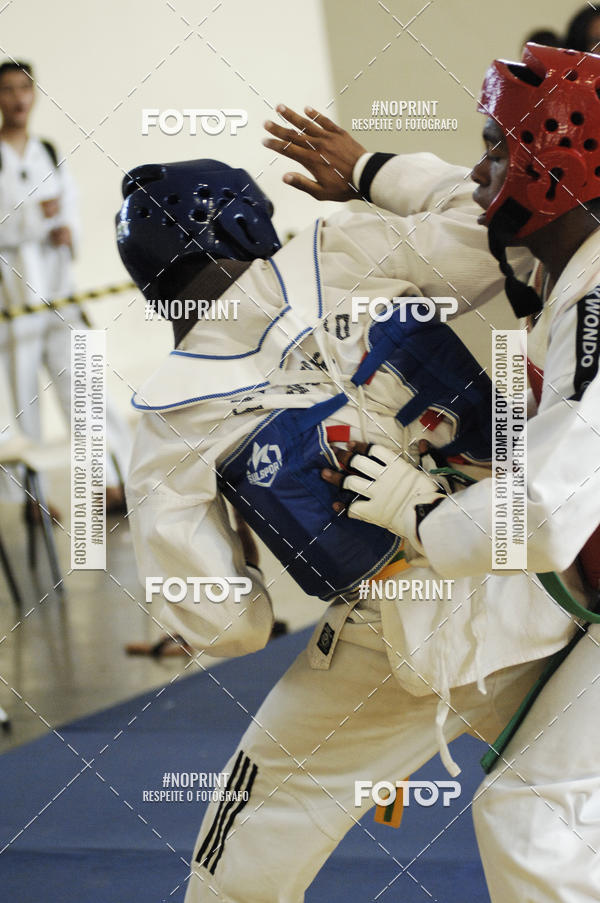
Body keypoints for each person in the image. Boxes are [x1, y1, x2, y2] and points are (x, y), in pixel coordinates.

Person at [120, 104, 593, 899]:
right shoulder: (342, 249)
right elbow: (493, 237)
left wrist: (251, 524)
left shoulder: (168, 422)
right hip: (551, 590)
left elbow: (231, 627)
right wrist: (373, 172)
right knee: (552, 823)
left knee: (241, 842)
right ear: (248, 221)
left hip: (395, 638)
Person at [321, 43, 600, 902]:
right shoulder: (574, 252)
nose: (480, 169)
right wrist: (367, 167)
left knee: (534, 813)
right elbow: (456, 192)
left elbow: (548, 514)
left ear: (549, 167)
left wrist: (420, 508)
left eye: (496, 148)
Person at [0, 60, 131, 516]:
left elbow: (69, 209)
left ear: (34, 94)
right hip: (13, 299)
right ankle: (31, 498)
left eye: (24, 88)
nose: (17, 98)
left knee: (85, 383)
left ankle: (112, 481)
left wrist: (64, 229)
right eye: (7, 89)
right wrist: (36, 218)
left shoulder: (48, 151)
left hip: (59, 290)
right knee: (23, 397)